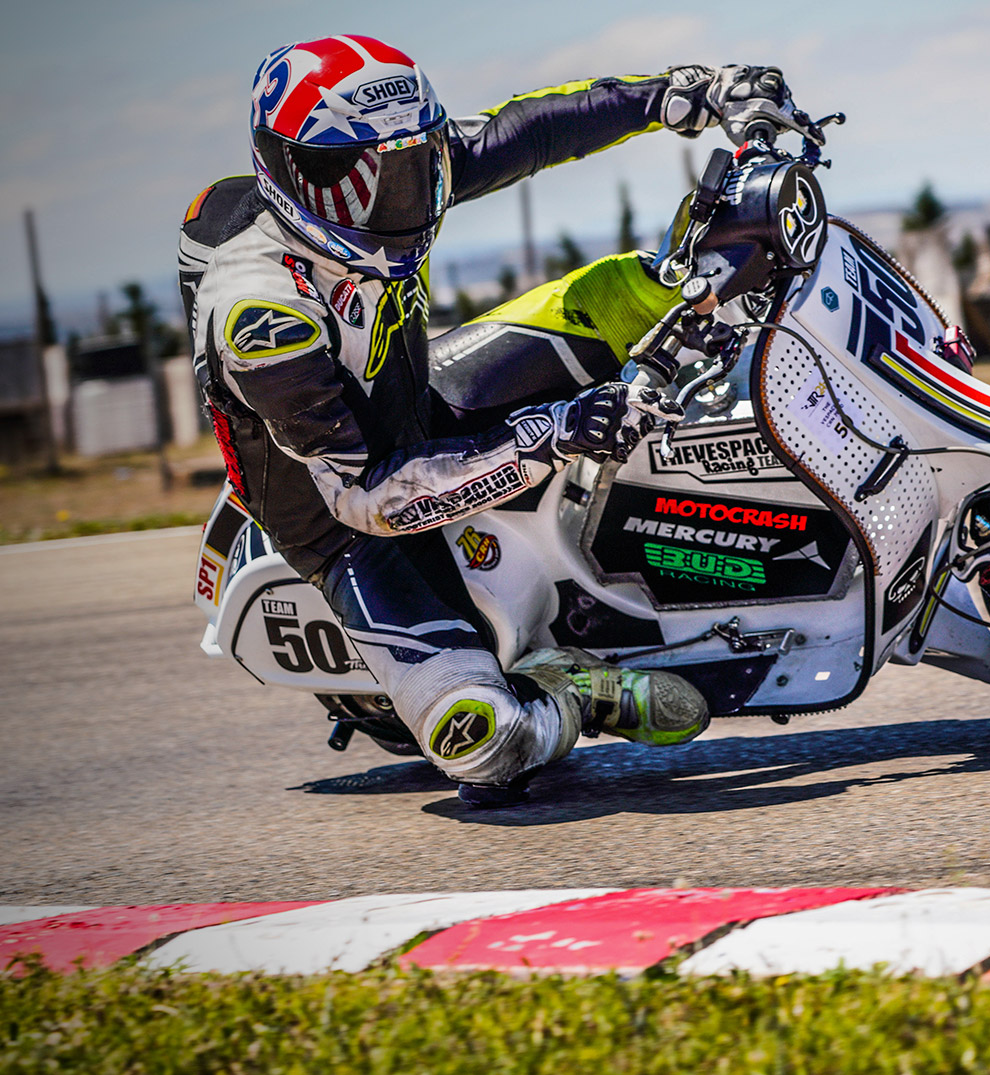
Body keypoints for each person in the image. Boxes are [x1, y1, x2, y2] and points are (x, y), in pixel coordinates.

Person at [177, 35, 792, 806]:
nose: (396, 199)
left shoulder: (407, 168)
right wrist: (555, 431)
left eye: (412, 165)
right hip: (349, 522)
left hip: (424, 400)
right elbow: (368, 498)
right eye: (359, 181)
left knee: (649, 287)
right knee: (486, 745)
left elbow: (526, 131)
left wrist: (685, 93)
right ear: (287, 172)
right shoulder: (261, 315)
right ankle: (566, 690)